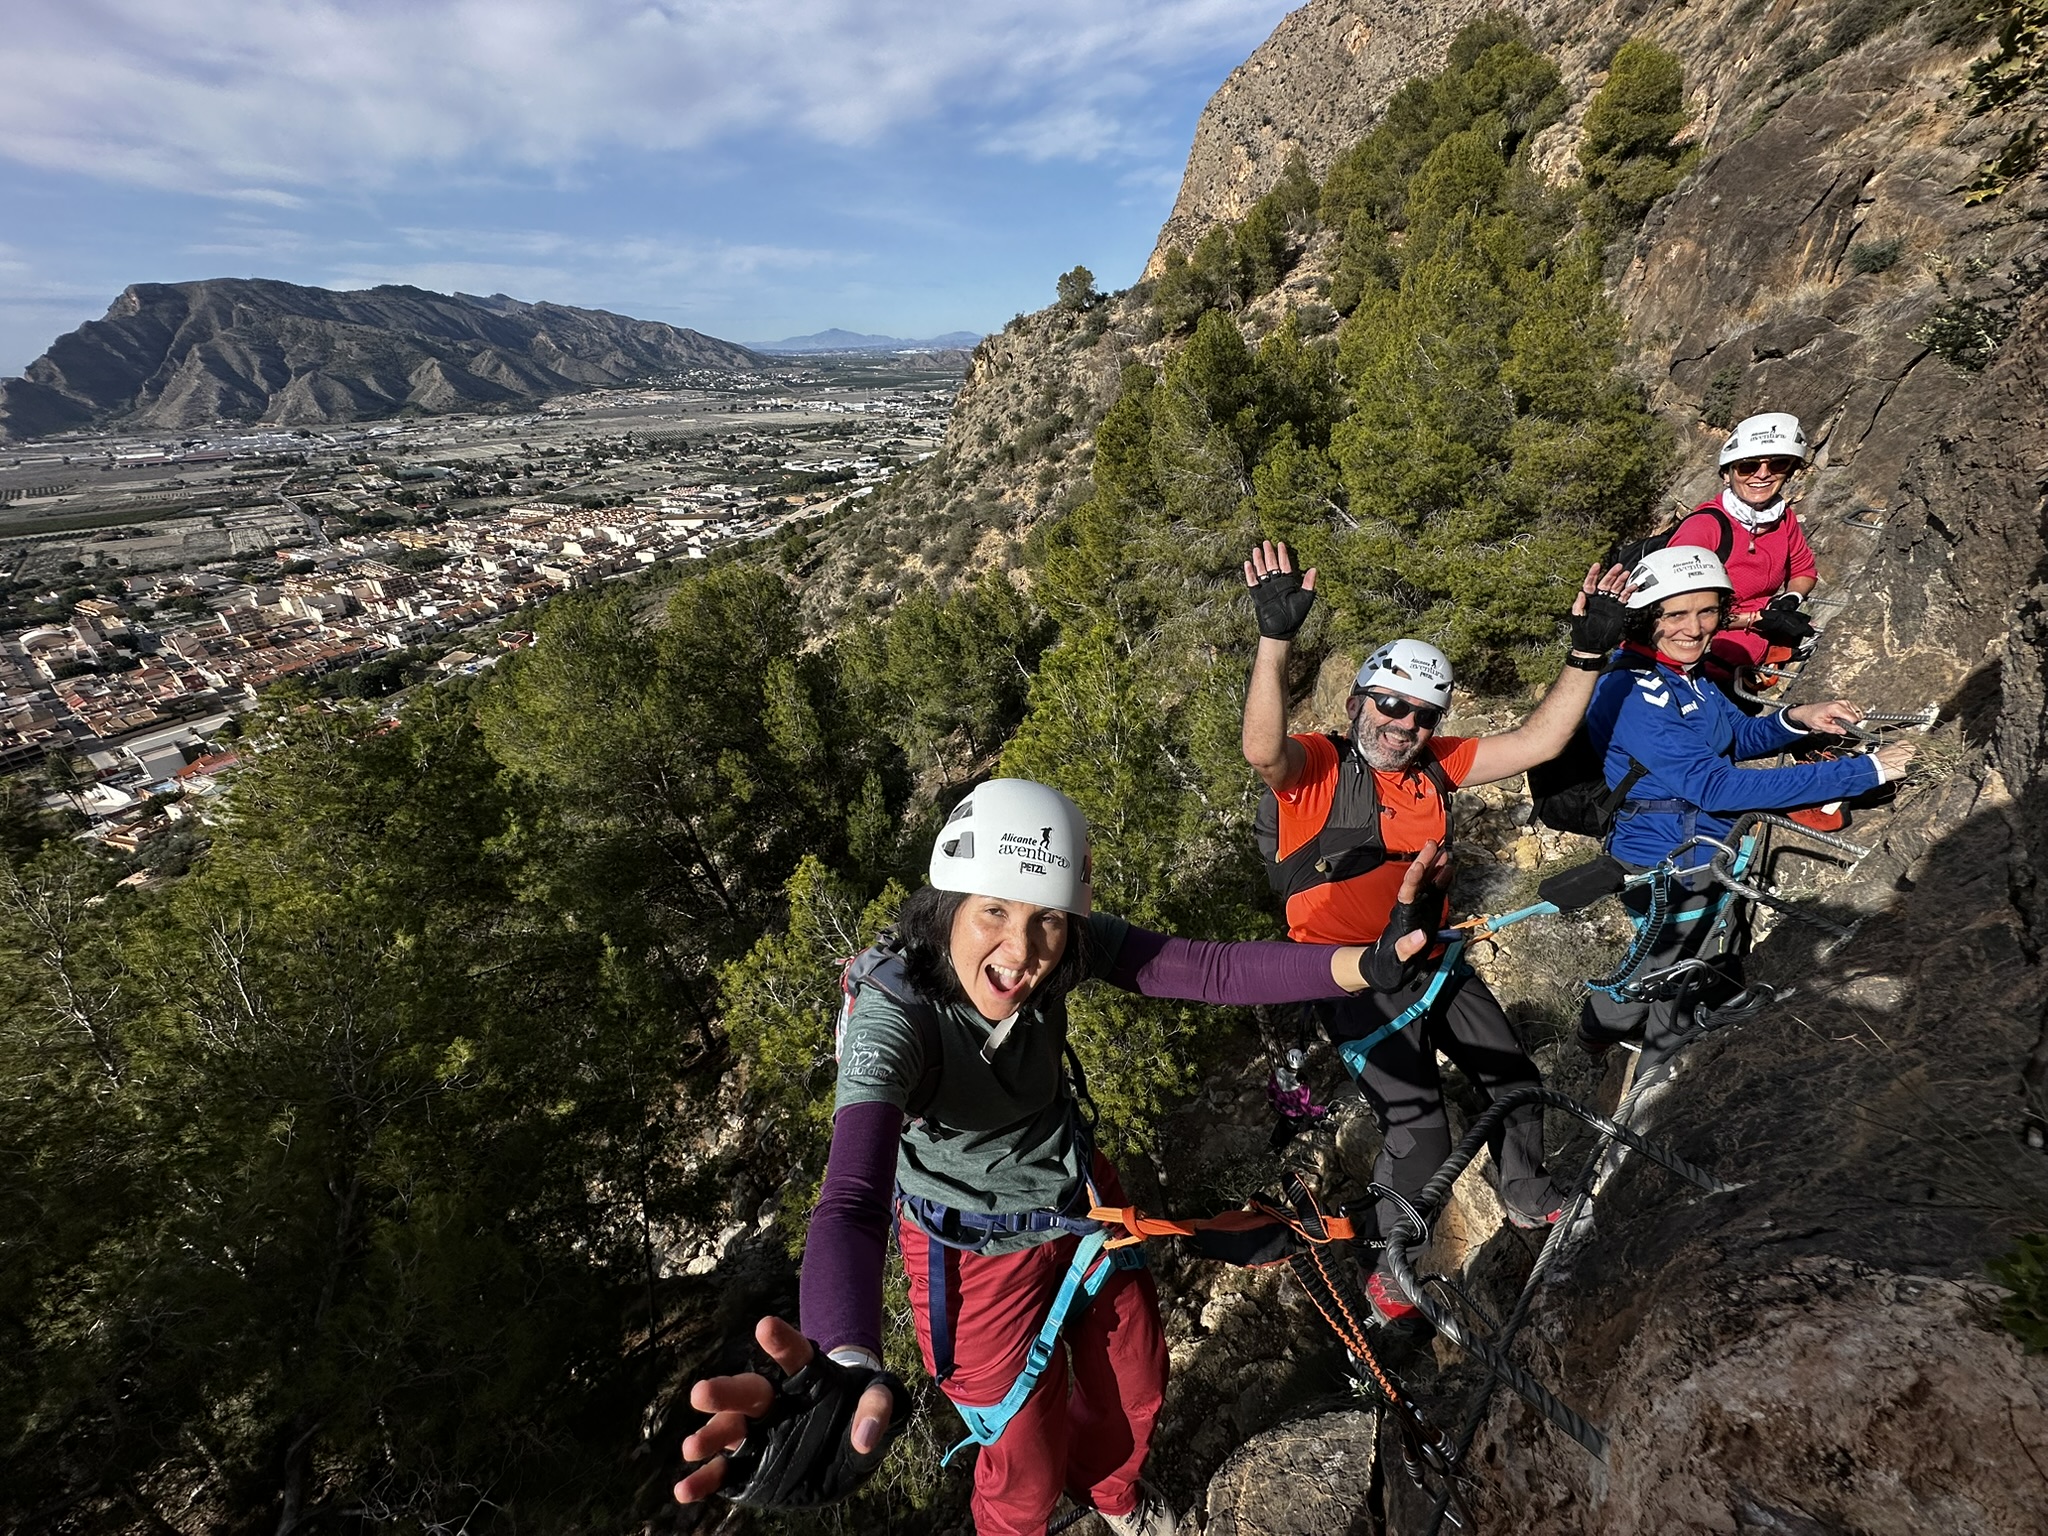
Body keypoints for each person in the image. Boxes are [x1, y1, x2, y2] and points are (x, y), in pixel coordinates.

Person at [674, 777, 1435, 1536]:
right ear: (949, 906)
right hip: (970, 1255)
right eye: (994, 912)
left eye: (1047, 919)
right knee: (1024, 1471)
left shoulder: (1061, 947)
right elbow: (851, 1198)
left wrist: (1365, 966)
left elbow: (1209, 969)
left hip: (1079, 1199)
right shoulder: (896, 1014)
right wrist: (844, 1354)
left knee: (1136, 1384)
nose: (1021, 950)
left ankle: (1112, 1494)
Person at [1239, 541, 1634, 1329]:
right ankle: (1393, 1269)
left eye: (1424, 715)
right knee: (1418, 1127)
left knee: (1514, 1080)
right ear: (1357, 702)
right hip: (1350, 975)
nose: (1405, 725)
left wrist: (1587, 654)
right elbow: (1262, 750)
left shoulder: (1434, 768)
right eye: (1391, 705)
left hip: (1433, 956)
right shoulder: (1319, 770)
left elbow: (1539, 743)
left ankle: (1526, 1195)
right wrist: (1274, 639)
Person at [1577, 546, 1916, 1065]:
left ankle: (1604, 1032)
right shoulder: (1633, 692)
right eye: (1676, 614)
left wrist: (1796, 719)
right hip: (1667, 860)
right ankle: (1650, 1084)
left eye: (1707, 611)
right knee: (1677, 979)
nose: (1695, 628)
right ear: (1646, 618)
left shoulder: (1685, 674)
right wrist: (1867, 771)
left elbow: (1733, 736)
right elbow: (1717, 787)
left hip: (1702, 846)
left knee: (1678, 959)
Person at [1668, 412, 1821, 684]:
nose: (1762, 475)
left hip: (1746, 661)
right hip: (1699, 664)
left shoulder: (1782, 518)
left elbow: (1803, 569)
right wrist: (1756, 619)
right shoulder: (1704, 528)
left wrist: (1791, 598)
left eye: (1778, 464)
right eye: (1748, 467)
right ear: (1727, 475)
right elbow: (1675, 612)